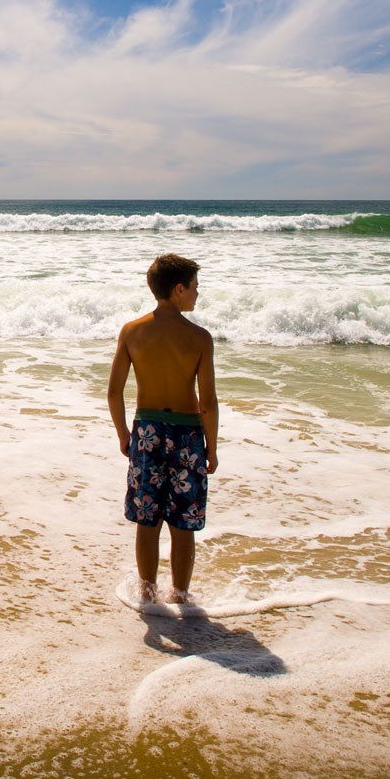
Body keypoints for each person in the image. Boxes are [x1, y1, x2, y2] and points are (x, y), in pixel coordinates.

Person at [107, 252, 218, 605]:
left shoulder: (132, 331)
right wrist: (211, 447)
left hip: (147, 433)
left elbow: (113, 392)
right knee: (183, 524)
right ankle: (181, 597)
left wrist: (124, 434)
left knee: (147, 520)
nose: (198, 295)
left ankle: (147, 595)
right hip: (187, 436)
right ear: (179, 289)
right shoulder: (200, 338)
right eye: (195, 288)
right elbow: (208, 403)